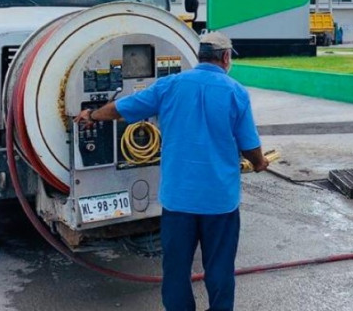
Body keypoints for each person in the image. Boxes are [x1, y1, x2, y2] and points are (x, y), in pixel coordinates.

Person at [75, 31, 269, 311]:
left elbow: (120, 108)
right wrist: (260, 163)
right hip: (220, 202)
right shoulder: (235, 92)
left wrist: (91, 115)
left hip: (179, 199)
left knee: (176, 269)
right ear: (226, 57)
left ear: (199, 56)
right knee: (220, 268)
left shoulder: (169, 86)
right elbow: (250, 146)